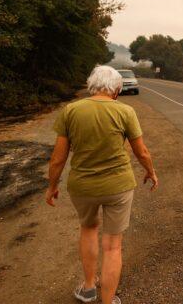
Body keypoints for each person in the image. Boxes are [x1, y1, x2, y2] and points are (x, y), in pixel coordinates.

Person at [45, 65, 158, 304]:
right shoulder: (125, 111)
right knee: (112, 245)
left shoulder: (71, 111)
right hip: (118, 186)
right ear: (116, 89)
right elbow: (142, 151)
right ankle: (108, 301)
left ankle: (88, 288)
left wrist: (51, 186)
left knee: (88, 229)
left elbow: (58, 158)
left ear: (91, 86)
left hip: (83, 186)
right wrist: (151, 172)